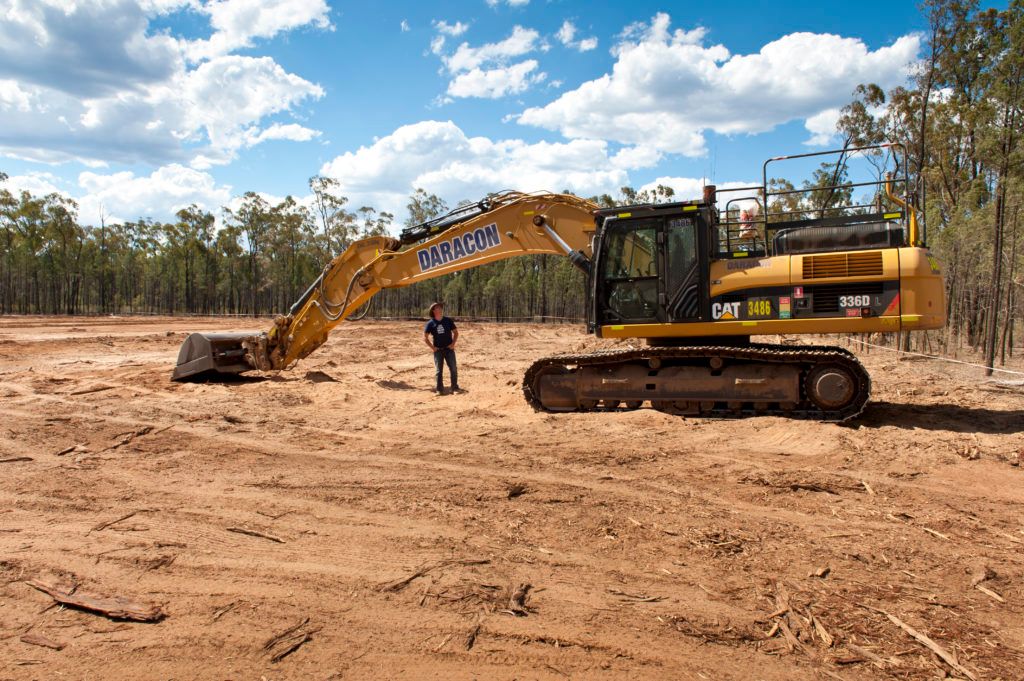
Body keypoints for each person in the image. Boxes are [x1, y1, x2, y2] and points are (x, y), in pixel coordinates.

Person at [423, 302, 461, 395]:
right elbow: (425, 338)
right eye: (437, 307)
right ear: (433, 310)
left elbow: (456, 333)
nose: (440, 309)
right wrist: (433, 348)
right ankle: (439, 390)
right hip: (438, 350)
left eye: (440, 307)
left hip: (449, 349)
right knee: (439, 371)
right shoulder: (430, 323)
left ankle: (454, 388)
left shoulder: (448, 320)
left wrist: (453, 344)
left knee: (453, 369)